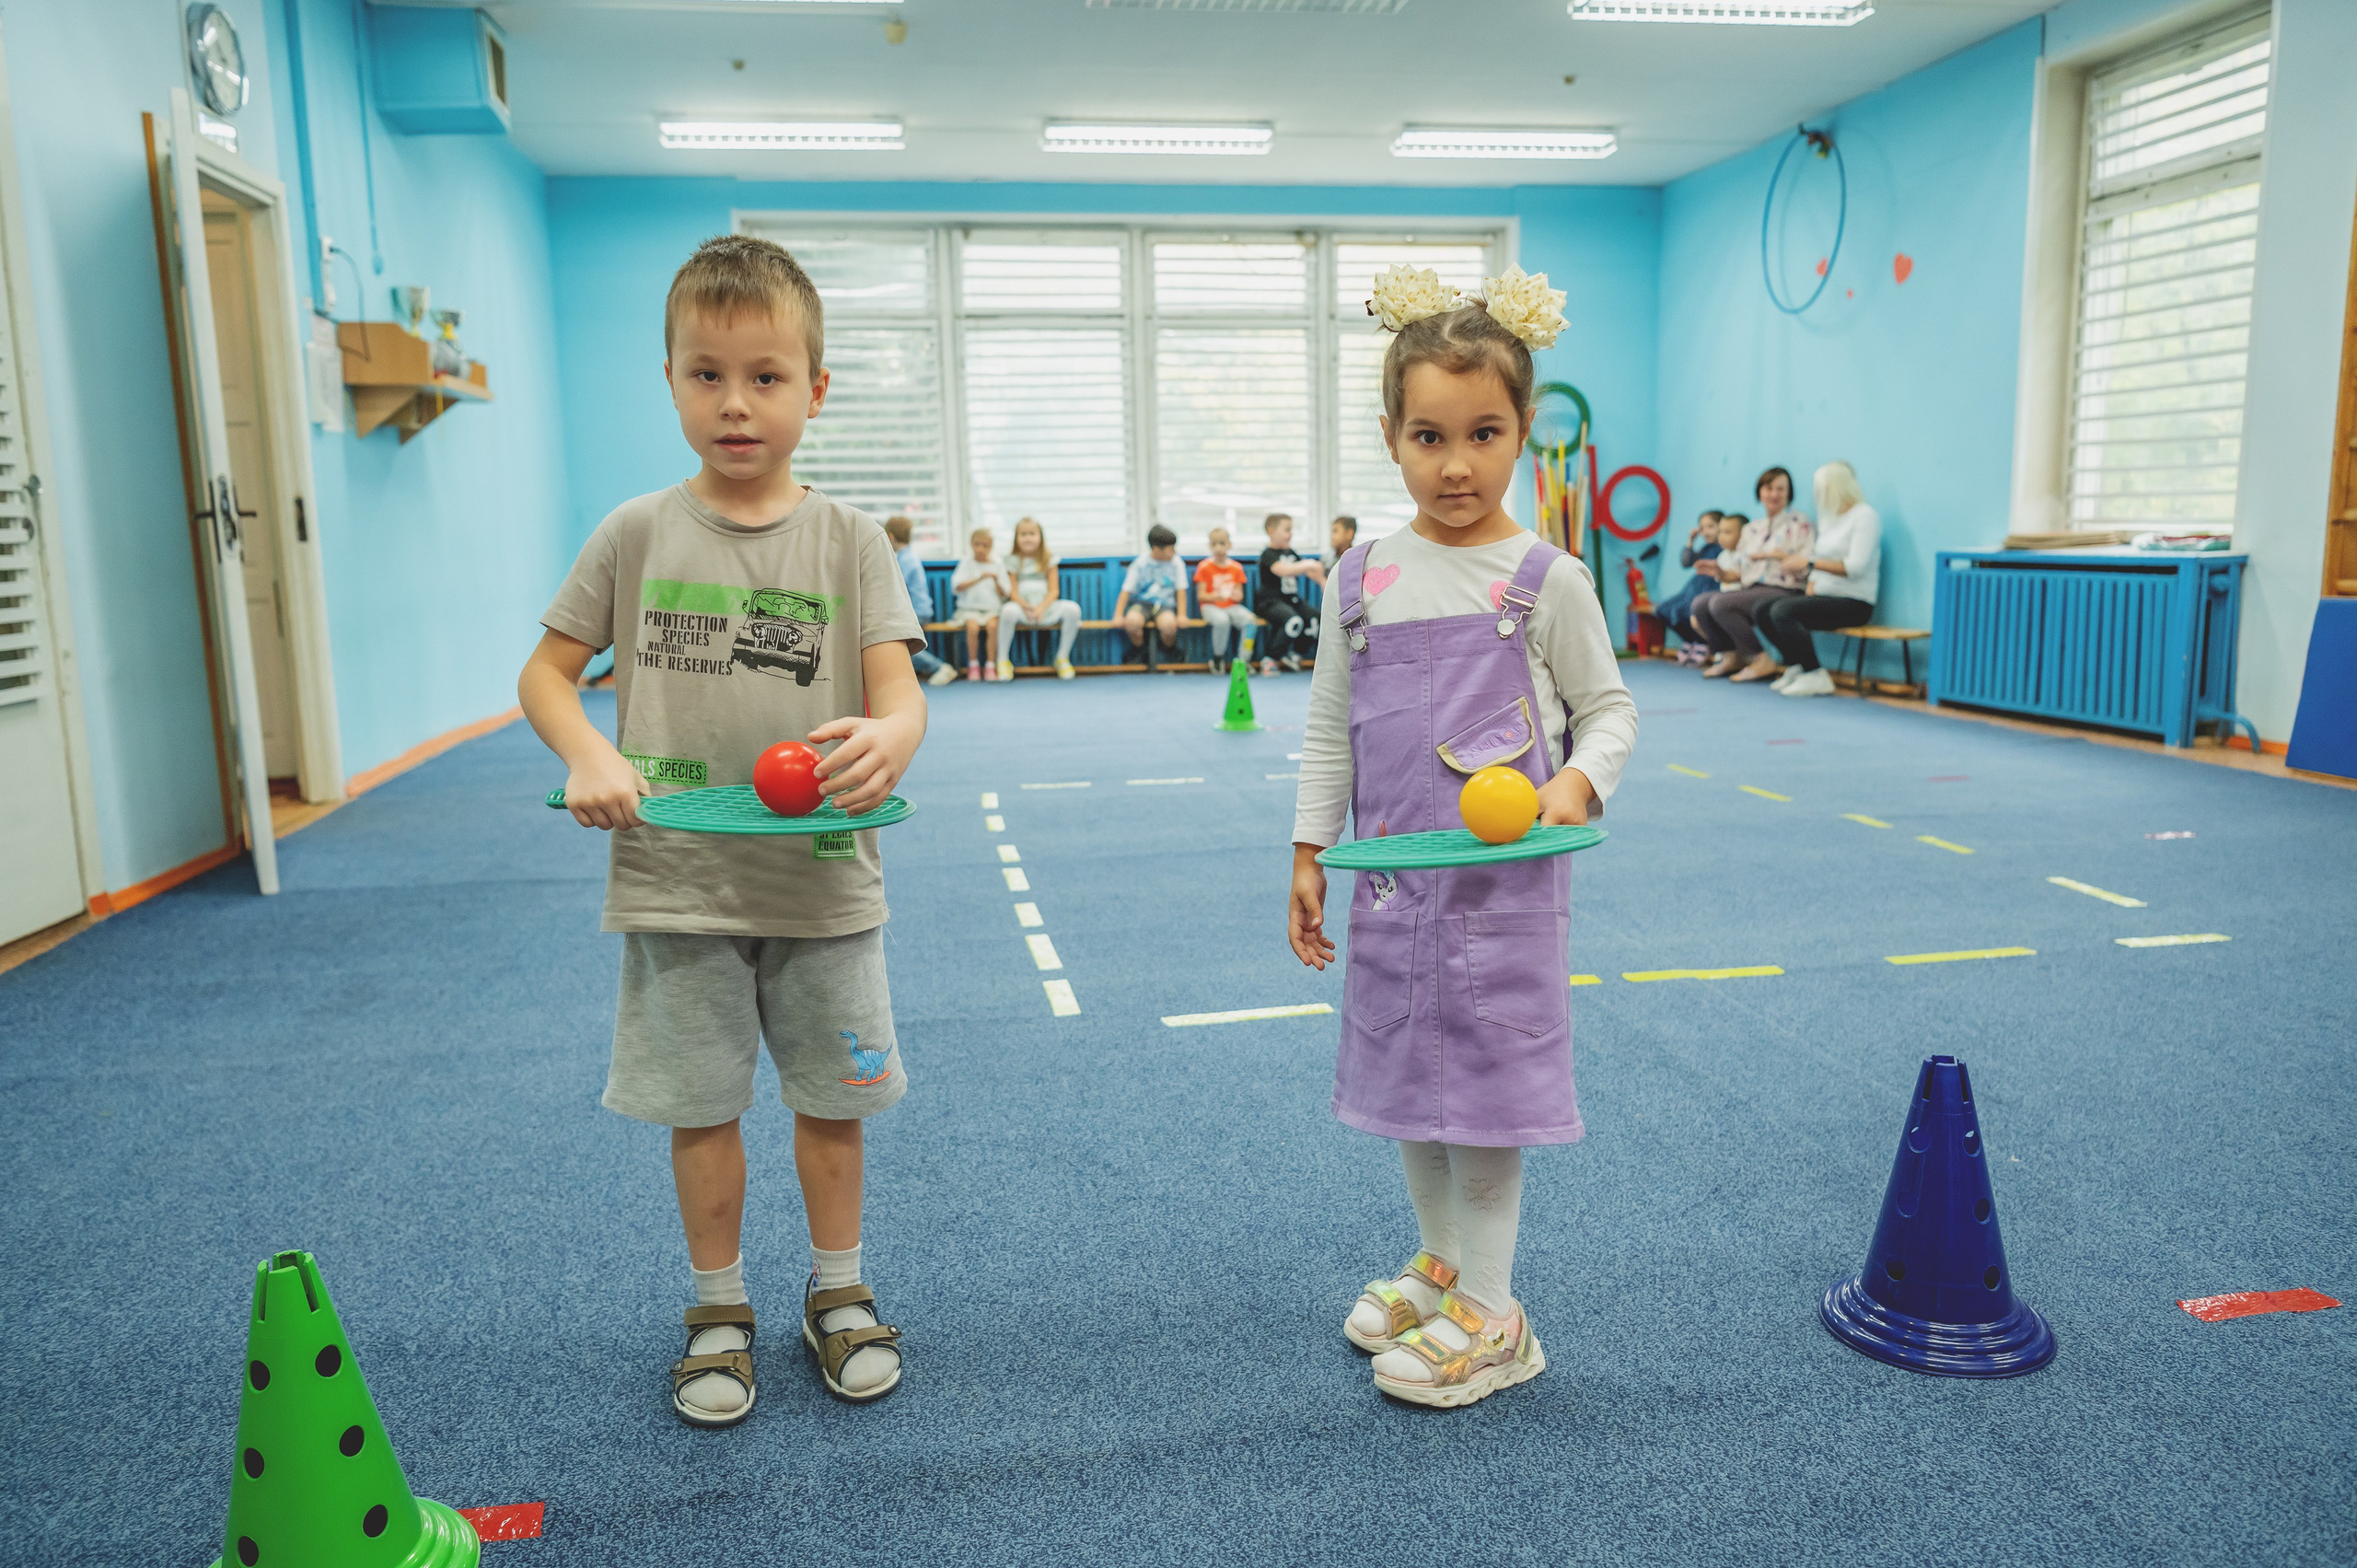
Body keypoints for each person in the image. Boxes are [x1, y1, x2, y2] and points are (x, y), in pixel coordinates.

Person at [517, 234, 924, 1425]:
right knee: (699, 1104)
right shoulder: (635, 532)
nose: (736, 402)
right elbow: (545, 676)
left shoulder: (851, 539)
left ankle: (839, 1291)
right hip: (676, 879)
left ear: (816, 389)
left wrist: (894, 739)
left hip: (820, 880)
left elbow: (899, 694)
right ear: (671, 381)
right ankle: (717, 1306)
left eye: (765, 375)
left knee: (830, 1098)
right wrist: (589, 750)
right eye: (707, 373)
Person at [1289, 267, 1637, 1409]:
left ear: (1524, 434)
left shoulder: (1545, 578)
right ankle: (1440, 1265)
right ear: (1390, 437)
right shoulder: (1359, 580)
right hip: (1391, 889)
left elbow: (1611, 711)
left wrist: (1577, 784)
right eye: (1428, 435)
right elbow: (1329, 728)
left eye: (1483, 434)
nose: (1455, 463)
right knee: (1404, 1075)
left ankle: (1496, 1311)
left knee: (1484, 1086)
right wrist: (1308, 850)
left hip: (1502, 901)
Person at [1763, 461, 1881, 697]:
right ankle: (1796, 665)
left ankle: (1815, 673)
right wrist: (1812, 580)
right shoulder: (1830, 518)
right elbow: (1820, 557)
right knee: (1762, 609)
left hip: (1854, 602)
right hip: (1825, 595)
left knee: (1783, 611)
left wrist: (1808, 563)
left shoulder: (1865, 516)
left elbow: (1855, 567)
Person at [1698, 467, 1813, 682]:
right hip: (1751, 589)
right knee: (1701, 603)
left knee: (1720, 604)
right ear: (1760, 492)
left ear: (1789, 493)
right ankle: (1732, 657)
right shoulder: (1752, 529)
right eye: (1769, 488)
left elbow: (1808, 565)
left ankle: (1760, 659)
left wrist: (1779, 556)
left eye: (1781, 489)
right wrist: (1720, 572)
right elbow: (1738, 575)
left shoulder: (1800, 524)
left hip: (1784, 589)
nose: (1774, 494)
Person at [994, 517, 1083, 681]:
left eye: (1032, 534)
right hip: (1022, 608)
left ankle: (1062, 658)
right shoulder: (1012, 561)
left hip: (1046, 607)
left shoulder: (1049, 559)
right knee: (1007, 611)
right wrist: (1026, 607)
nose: (1028, 538)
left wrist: (1041, 608)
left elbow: (1054, 591)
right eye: (1023, 534)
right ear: (1016, 538)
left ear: (1040, 537)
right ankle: (1003, 660)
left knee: (1073, 609)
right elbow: (1012, 591)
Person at [885, 515, 958, 687]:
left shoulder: (905, 560)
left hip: (917, 612)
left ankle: (940, 667)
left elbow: (895, 588)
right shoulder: (907, 557)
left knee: (898, 644)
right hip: (917, 610)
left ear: (890, 537)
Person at [1655, 509, 1731, 665]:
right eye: (1702, 528)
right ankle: (1689, 640)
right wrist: (1691, 540)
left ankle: (1703, 641)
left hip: (1709, 586)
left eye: (1711, 526)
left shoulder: (1724, 549)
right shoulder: (1704, 549)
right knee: (1664, 609)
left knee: (1686, 610)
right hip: (1693, 587)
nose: (1706, 532)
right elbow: (1686, 562)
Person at [1255, 513, 1324, 674]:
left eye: (1291, 530)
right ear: (1271, 531)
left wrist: (1320, 578)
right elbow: (1283, 570)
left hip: (1291, 600)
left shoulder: (1290, 553)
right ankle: (1270, 658)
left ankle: (1295, 654)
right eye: (1286, 530)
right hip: (1270, 602)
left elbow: (1307, 570)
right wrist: (1308, 563)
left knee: (1315, 619)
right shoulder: (1268, 554)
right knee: (1293, 620)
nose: (1290, 534)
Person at [1115, 524, 1186, 666]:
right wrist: (1118, 615)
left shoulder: (1176, 562)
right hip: (1142, 603)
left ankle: (1169, 649)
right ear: (1156, 549)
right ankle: (1140, 648)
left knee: (1168, 625)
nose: (1174, 552)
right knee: (1132, 622)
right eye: (1170, 549)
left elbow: (1181, 590)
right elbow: (1126, 590)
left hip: (1165, 604)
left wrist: (1182, 615)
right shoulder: (1140, 563)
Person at [951, 527, 1012, 681]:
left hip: (992, 610)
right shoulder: (966, 563)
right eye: (977, 544)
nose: (980, 549)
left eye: (985, 545)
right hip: (969, 610)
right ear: (971, 545)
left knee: (993, 627)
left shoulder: (997, 564)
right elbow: (956, 587)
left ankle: (991, 665)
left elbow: (1005, 593)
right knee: (972, 628)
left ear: (990, 546)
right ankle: (974, 665)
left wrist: (996, 579)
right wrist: (979, 578)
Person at [1193, 526, 1255, 673]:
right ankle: (1218, 658)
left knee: (1251, 621)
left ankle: (1243, 661)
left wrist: (1236, 596)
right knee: (1222, 621)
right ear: (1210, 546)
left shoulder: (1236, 568)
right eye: (1214, 544)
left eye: (1222, 543)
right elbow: (1201, 596)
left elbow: (1239, 595)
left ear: (1229, 545)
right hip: (1211, 607)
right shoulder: (1204, 567)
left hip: (1231, 606)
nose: (1218, 548)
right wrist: (1215, 596)